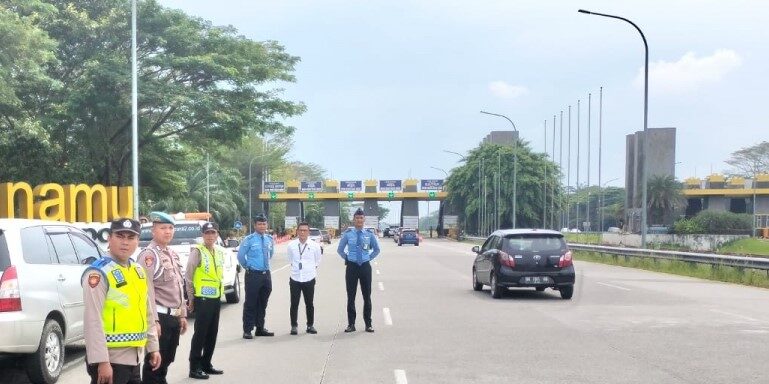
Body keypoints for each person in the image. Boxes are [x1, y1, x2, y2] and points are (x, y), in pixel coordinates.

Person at [82, 218, 161, 384]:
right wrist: (102, 361)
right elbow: (92, 320)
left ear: (137, 241)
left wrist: (153, 347)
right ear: (109, 238)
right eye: (120, 236)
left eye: (131, 238)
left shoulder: (137, 271)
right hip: (111, 360)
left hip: (134, 357)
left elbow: (146, 311)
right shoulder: (98, 272)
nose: (125, 242)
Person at [137, 211, 188, 384]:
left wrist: (182, 314)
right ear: (153, 231)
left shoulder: (171, 254)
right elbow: (146, 290)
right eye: (163, 228)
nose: (167, 231)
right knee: (155, 364)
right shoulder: (149, 255)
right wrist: (154, 321)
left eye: (170, 228)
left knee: (166, 361)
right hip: (160, 318)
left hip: (173, 317)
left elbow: (178, 287)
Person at [185, 222, 225, 379]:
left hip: (215, 298)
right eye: (207, 233)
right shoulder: (198, 251)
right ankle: (194, 367)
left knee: (212, 333)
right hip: (202, 299)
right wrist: (191, 298)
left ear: (217, 234)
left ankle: (206, 364)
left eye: (213, 232)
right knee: (200, 334)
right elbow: (188, 276)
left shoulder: (218, 252)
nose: (210, 235)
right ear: (203, 235)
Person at [337, 208, 381, 333]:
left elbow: (377, 249)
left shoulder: (369, 235)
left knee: (367, 296)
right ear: (354, 220)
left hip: (365, 267)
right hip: (352, 267)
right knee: (351, 297)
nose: (359, 220)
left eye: (361, 218)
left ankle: (368, 324)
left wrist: (368, 258)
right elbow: (340, 250)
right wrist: (348, 258)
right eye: (357, 218)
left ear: (364, 219)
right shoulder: (348, 235)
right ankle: (351, 324)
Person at [238, 213, 275, 339]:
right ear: (255, 225)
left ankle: (260, 328)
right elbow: (241, 257)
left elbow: (271, 254)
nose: (262, 226)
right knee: (250, 303)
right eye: (259, 224)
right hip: (253, 275)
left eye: (264, 223)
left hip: (266, 275)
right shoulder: (248, 240)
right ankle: (247, 330)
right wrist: (248, 267)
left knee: (263, 302)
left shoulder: (269, 239)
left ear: (267, 225)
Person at [286, 222, 322, 335]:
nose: (302, 232)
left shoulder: (315, 246)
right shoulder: (291, 245)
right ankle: (294, 326)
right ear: (297, 231)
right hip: (295, 278)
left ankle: (310, 325)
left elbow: (317, 261)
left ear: (308, 232)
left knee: (309, 303)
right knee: (294, 303)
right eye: (300, 230)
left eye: (305, 230)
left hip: (309, 278)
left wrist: (309, 269)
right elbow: (290, 260)